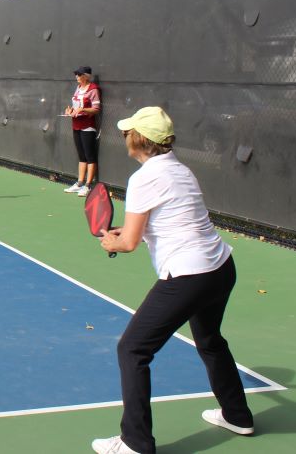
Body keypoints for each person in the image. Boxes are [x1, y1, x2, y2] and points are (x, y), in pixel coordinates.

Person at [92, 107, 253, 454]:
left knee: (132, 349)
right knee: (210, 340)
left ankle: (135, 442)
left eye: (127, 132)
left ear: (138, 139)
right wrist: (125, 232)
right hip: (221, 268)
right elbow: (163, 221)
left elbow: (130, 242)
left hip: (190, 275)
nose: (123, 137)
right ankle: (237, 415)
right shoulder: (180, 170)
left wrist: (112, 241)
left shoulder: (144, 178)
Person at [64, 66, 102, 197]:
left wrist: (83, 110)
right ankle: (79, 183)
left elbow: (96, 109)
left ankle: (88, 186)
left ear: (86, 76)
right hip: (76, 125)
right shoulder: (78, 88)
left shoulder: (93, 89)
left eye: (79, 75)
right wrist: (70, 112)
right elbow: (76, 106)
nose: (77, 77)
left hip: (88, 126)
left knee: (90, 156)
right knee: (81, 156)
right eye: (76, 74)